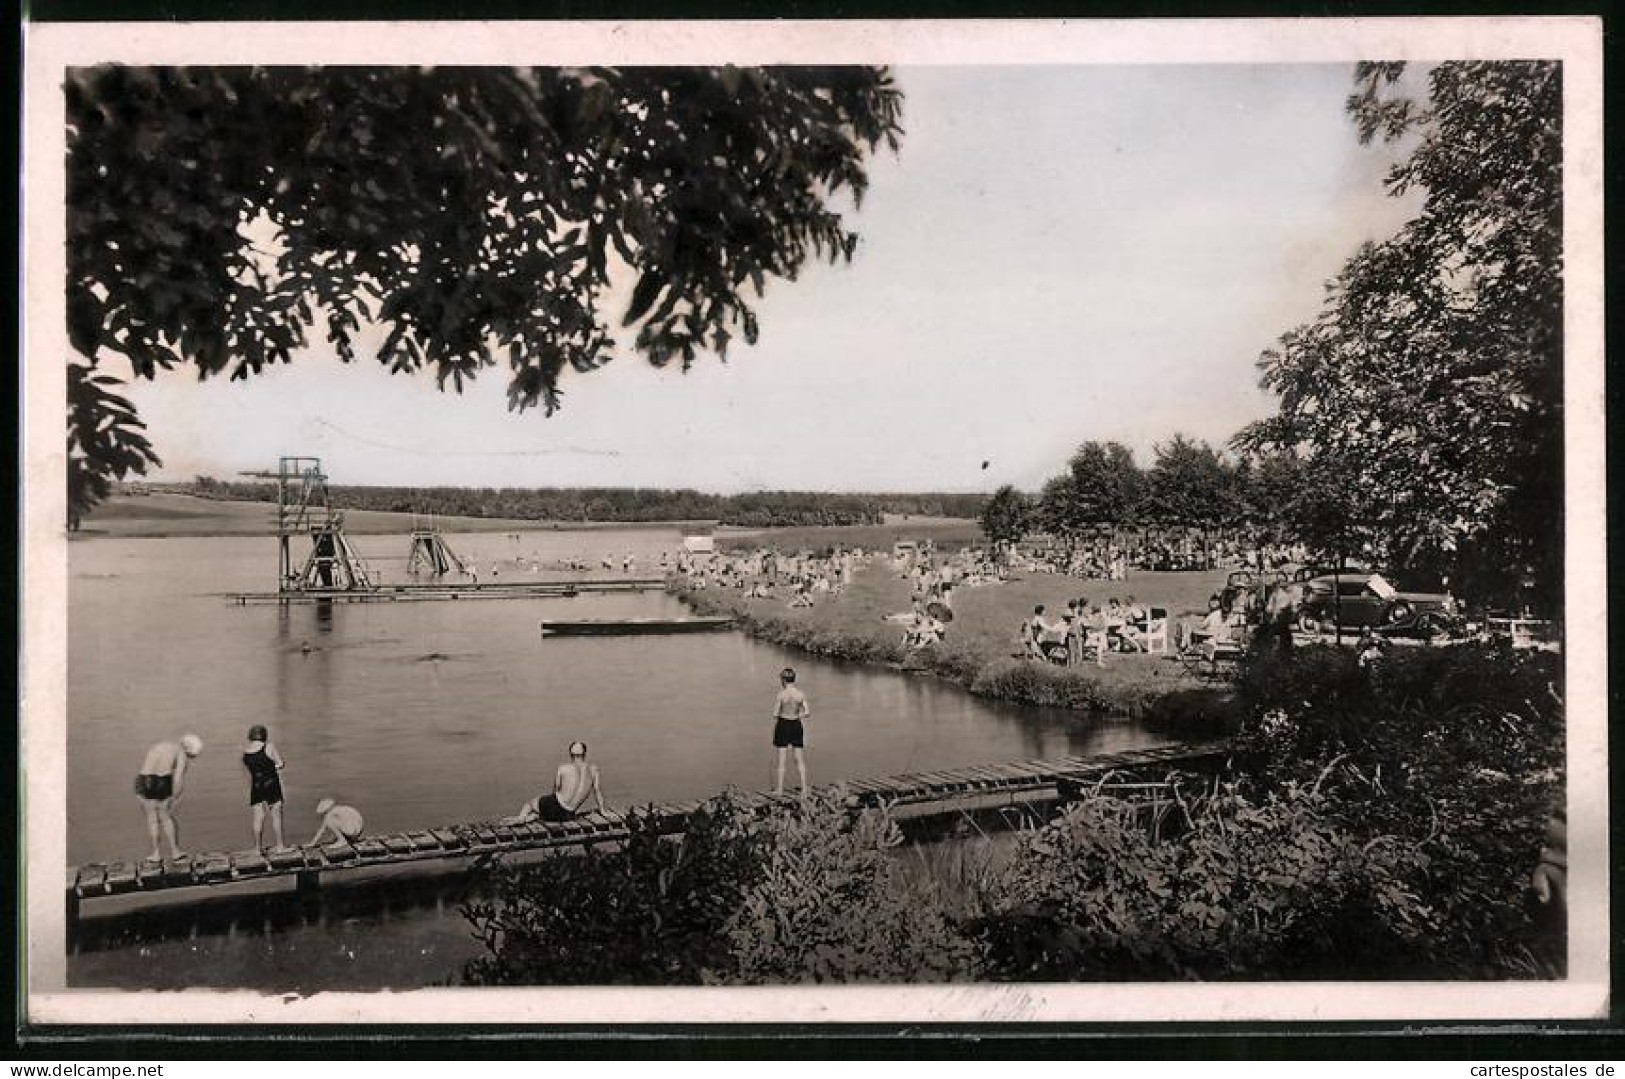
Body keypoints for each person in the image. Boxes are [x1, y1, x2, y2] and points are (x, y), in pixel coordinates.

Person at [134, 733, 203, 862]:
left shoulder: (161, 744)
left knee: (151, 818)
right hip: (161, 781)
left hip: (143, 779)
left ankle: (155, 854)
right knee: (165, 817)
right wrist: (176, 796)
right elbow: (178, 778)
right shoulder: (181, 752)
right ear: (189, 749)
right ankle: (175, 851)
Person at [505, 741, 606, 823]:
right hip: (569, 815)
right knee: (545, 808)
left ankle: (521, 818)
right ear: (584, 754)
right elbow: (597, 791)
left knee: (530, 803)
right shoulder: (594, 769)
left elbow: (556, 789)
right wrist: (603, 811)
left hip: (555, 807)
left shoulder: (563, 768)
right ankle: (537, 816)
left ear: (570, 754)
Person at [242, 724, 289, 853]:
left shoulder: (246, 752)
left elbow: (250, 771)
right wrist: (274, 767)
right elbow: (280, 763)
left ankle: (257, 848)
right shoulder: (269, 747)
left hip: (256, 786)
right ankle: (280, 846)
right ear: (264, 735)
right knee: (276, 815)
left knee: (258, 816)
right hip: (271, 784)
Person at [771, 667, 810, 796]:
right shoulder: (800, 694)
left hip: (783, 724)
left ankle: (780, 790)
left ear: (783, 680)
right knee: (799, 759)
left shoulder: (781, 694)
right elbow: (807, 712)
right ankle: (804, 788)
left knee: (782, 760)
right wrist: (798, 715)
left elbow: (775, 713)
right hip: (796, 724)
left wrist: (783, 712)